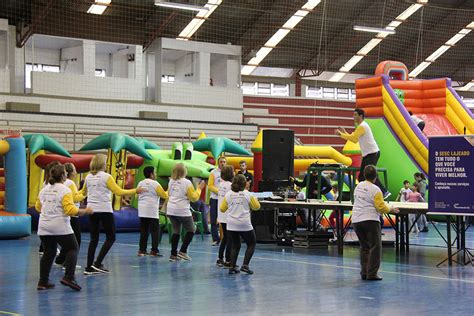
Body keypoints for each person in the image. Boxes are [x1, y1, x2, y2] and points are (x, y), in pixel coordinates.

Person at [81, 154, 145, 275]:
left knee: (93, 239)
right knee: (111, 237)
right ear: (102, 164)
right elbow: (118, 191)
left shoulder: (88, 177)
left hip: (91, 209)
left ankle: (89, 266)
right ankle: (98, 263)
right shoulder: (106, 177)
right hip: (104, 210)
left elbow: (83, 193)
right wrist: (135, 190)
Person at [36, 164, 93, 291]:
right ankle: (69, 277)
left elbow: (38, 208)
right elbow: (70, 210)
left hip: (44, 225)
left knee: (49, 252)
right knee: (72, 247)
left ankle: (43, 281)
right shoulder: (65, 190)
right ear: (62, 175)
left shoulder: (44, 189)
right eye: (65, 174)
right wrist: (85, 211)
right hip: (59, 225)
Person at [352, 165, 399, 281]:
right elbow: (381, 207)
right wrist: (391, 209)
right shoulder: (376, 189)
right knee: (375, 247)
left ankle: (364, 272)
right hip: (370, 220)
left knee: (364, 247)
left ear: (364, 174)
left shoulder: (358, 186)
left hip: (356, 220)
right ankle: (372, 274)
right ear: (376, 176)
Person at [336, 108, 389, 199]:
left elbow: (354, 139)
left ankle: (384, 192)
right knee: (361, 177)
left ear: (361, 116)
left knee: (370, 174)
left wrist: (341, 135)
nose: (353, 116)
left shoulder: (362, 126)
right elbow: (353, 137)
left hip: (372, 153)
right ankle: (366, 195)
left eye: (355, 115)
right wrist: (344, 132)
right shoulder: (361, 126)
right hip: (368, 154)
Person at [220, 174, 261, 275]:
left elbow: (222, 208)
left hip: (231, 224)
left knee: (235, 245)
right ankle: (245, 265)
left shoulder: (228, 194)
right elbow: (257, 207)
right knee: (251, 243)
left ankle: (232, 267)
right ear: (244, 183)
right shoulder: (247, 194)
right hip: (244, 223)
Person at [166, 163, 206, 262]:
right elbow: (194, 198)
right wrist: (199, 189)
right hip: (182, 209)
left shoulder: (171, 181)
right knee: (192, 229)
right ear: (184, 171)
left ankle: (173, 254)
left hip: (171, 209)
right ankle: (183, 251)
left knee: (176, 231)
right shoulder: (187, 183)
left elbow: (169, 194)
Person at [55, 163, 85, 267]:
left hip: (62, 214)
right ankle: (69, 263)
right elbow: (75, 198)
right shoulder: (71, 183)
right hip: (72, 214)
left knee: (67, 240)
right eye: (75, 170)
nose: (76, 172)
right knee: (76, 240)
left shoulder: (62, 183)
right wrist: (86, 193)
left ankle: (60, 260)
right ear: (71, 172)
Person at [137, 166, 168, 257]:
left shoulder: (140, 183)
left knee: (144, 231)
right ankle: (154, 250)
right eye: (155, 172)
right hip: (152, 210)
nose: (156, 174)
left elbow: (136, 195)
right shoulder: (155, 184)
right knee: (155, 231)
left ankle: (142, 250)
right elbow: (164, 195)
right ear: (151, 174)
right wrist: (170, 187)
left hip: (142, 210)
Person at [38, 160, 61, 256]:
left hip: (45, 212)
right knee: (52, 232)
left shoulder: (45, 183)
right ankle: (48, 248)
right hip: (51, 212)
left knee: (47, 232)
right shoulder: (51, 185)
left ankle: (42, 248)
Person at [216, 165, 234, 268]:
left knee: (225, 238)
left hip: (221, 215)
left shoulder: (221, 185)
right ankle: (228, 260)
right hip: (228, 215)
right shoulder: (230, 186)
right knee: (229, 238)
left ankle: (220, 258)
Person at [208, 156, 227, 245]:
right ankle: (215, 239)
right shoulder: (213, 173)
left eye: (224, 162)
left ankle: (225, 238)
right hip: (215, 199)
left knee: (224, 220)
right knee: (213, 219)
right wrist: (219, 191)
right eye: (221, 162)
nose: (222, 163)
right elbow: (210, 185)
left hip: (225, 200)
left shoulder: (229, 173)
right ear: (218, 163)